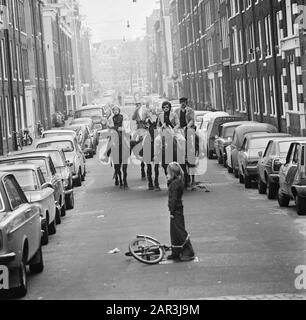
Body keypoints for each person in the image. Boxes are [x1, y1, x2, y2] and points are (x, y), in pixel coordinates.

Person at [167, 162, 195, 262]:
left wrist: (172, 211)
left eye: (168, 172)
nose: (167, 174)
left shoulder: (175, 183)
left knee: (179, 231)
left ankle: (189, 251)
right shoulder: (176, 181)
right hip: (177, 209)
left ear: (172, 173)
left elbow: (174, 199)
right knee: (174, 231)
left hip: (176, 210)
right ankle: (176, 251)